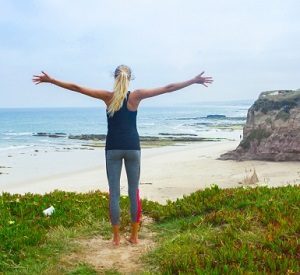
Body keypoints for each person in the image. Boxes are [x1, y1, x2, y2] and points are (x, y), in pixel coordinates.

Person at [32, 65, 213, 245]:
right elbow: (168, 88)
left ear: (115, 78)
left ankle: (116, 238)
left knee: (115, 194)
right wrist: (193, 81)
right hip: (133, 148)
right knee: (134, 192)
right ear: (130, 78)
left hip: (113, 149)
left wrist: (52, 80)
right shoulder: (136, 96)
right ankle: (134, 237)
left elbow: (77, 88)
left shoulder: (108, 97)